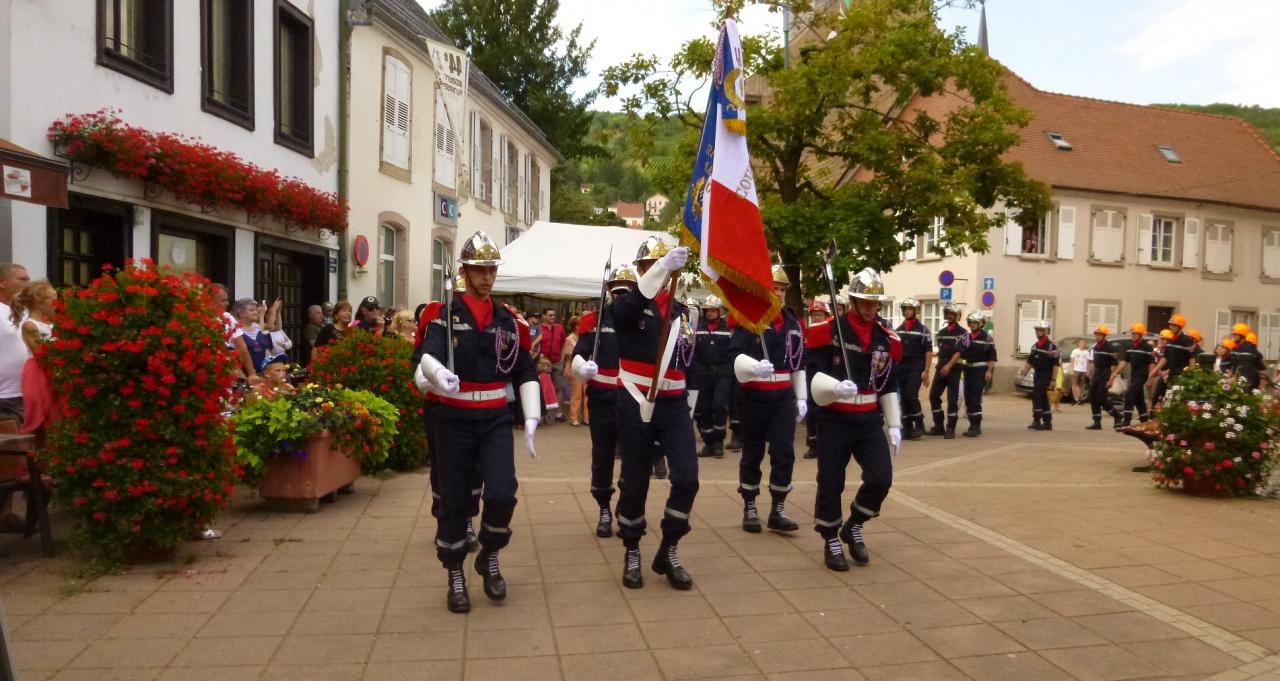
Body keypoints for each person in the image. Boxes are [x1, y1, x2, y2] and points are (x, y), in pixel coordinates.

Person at [415, 231, 540, 614]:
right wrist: (438, 375)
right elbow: (424, 355)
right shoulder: (443, 316)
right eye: (479, 270)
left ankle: (490, 553)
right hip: (453, 419)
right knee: (453, 500)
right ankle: (455, 571)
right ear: (466, 272)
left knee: (502, 492)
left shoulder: (508, 320)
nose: (486, 277)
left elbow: (524, 369)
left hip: (494, 419)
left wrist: (532, 414)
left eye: (491, 270)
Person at [611, 236, 698, 590]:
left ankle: (669, 547)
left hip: (674, 404)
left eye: (664, 266)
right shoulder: (628, 304)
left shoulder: (681, 311)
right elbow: (623, 314)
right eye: (652, 266)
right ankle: (632, 548)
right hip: (636, 398)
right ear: (642, 270)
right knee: (635, 480)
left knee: (688, 478)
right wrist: (663, 267)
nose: (661, 273)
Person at [806, 268, 902, 570]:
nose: (872, 308)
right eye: (866, 302)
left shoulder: (884, 338)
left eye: (876, 303)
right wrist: (834, 387)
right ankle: (831, 537)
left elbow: (888, 382)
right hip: (835, 418)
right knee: (831, 481)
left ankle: (855, 524)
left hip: (868, 419)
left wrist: (895, 423)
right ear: (853, 300)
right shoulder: (829, 332)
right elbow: (812, 375)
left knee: (881, 478)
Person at [729, 264, 805, 534]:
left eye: (783, 290)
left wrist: (802, 396)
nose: (780, 294)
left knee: (784, 452)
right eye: (776, 288)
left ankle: (778, 508)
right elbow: (735, 355)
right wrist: (752, 367)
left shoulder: (793, 322)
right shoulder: (749, 319)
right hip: (753, 395)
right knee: (752, 453)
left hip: (782, 396)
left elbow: (798, 363)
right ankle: (750, 505)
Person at [572, 265, 637, 538]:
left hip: (632, 397)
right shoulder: (595, 321)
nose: (621, 292)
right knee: (602, 455)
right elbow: (578, 354)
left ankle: (625, 503)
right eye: (617, 287)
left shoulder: (641, 321)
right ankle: (603, 508)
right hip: (602, 398)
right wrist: (581, 367)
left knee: (632, 456)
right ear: (609, 290)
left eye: (627, 287)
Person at [692, 295, 733, 458]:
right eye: (707, 310)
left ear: (719, 311)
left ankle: (718, 442)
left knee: (719, 404)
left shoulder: (727, 328)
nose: (709, 313)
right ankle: (708, 442)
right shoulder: (697, 328)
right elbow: (693, 351)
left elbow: (732, 351)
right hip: (703, 373)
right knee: (704, 409)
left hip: (722, 373)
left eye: (712, 310)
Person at [14, 281, 56, 435]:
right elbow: (40, 352)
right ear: (39, 302)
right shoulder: (30, 325)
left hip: (53, 368)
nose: (56, 304)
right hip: (39, 371)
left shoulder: (52, 323)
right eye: (52, 299)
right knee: (42, 409)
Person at [893, 298, 932, 440]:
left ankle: (919, 425)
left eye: (910, 309)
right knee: (903, 398)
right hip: (901, 367)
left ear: (916, 311)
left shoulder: (923, 330)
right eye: (905, 309)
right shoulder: (898, 330)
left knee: (911, 395)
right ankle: (907, 427)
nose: (907, 311)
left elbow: (928, 351)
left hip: (916, 366)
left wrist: (926, 371)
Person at [926, 304, 966, 438]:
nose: (948, 316)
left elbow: (959, 352)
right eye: (947, 313)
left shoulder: (962, 333)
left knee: (952, 399)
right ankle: (939, 426)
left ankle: (950, 428)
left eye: (951, 313)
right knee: (933, 396)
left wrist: (948, 366)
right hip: (941, 368)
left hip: (954, 369)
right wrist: (941, 366)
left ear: (956, 316)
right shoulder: (941, 332)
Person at [0, 263, 30, 423]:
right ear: (2, 282)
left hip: (25, 392)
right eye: (22, 279)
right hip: (4, 396)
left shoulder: (25, 312)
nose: (27, 284)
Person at [1110, 323, 1154, 427]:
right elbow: (1125, 361)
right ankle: (1144, 419)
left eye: (1135, 333)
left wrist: (1150, 378)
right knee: (1138, 398)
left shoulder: (1147, 347)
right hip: (1134, 374)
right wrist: (1114, 373)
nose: (1132, 335)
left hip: (1142, 374)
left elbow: (1151, 363)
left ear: (1140, 334)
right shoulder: (1129, 346)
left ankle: (1127, 419)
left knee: (1129, 393)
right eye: (1132, 333)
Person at [959, 311, 996, 437]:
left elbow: (992, 357)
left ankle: (976, 426)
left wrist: (989, 371)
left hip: (980, 371)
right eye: (971, 322)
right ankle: (971, 424)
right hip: (968, 370)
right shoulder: (966, 337)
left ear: (981, 323)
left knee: (975, 398)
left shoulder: (987, 338)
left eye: (975, 322)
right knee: (968, 398)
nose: (973, 325)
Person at [212, 285, 258, 384]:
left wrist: (251, 374)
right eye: (223, 300)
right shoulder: (199, 318)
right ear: (211, 300)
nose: (227, 303)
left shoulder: (228, 318)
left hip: (229, 364)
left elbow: (241, 346)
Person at [802, 300, 830, 459]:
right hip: (810, 375)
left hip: (826, 375)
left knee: (825, 411)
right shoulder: (807, 333)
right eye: (814, 315)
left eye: (820, 315)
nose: (817, 318)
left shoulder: (830, 333)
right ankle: (813, 445)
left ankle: (825, 444)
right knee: (811, 411)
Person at [1147, 313, 1195, 405]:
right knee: (1159, 396)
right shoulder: (1170, 339)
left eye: (1173, 325)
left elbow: (1191, 359)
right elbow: (1165, 357)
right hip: (1171, 372)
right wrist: (1153, 371)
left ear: (1179, 327)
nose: (1170, 327)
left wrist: (1191, 376)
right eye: (1170, 325)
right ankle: (1154, 416)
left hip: (1182, 373)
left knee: (1176, 398)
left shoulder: (1187, 340)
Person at [1020, 320, 1059, 431]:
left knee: (1036, 394)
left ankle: (1036, 420)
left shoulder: (1052, 347)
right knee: (1043, 397)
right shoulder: (1035, 346)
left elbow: (1055, 365)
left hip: (1046, 374)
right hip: (1037, 374)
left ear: (1047, 331)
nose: (1038, 332)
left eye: (1041, 330)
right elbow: (1030, 361)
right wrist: (1023, 373)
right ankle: (1047, 422)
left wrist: (1053, 379)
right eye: (1037, 330)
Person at [1084, 324, 1122, 429]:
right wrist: (1089, 374)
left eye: (1099, 334)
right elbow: (1094, 363)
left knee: (1101, 398)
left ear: (1104, 335)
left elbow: (1114, 365)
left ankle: (1117, 415)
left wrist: (1111, 379)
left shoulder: (1110, 348)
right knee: (1092, 397)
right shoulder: (1095, 347)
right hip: (1097, 373)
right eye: (1096, 334)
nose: (1097, 336)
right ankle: (1097, 421)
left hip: (1106, 373)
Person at [233, 299, 274, 374]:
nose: (255, 313)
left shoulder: (258, 327)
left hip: (262, 373)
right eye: (251, 310)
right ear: (241, 313)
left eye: (255, 310)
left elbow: (266, 351)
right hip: (244, 375)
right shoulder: (235, 330)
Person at [562, 317, 588, 426]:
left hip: (586, 367)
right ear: (575, 326)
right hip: (575, 368)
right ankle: (574, 418)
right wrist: (568, 369)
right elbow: (568, 357)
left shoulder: (586, 338)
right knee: (576, 394)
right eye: (579, 324)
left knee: (587, 394)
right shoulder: (569, 339)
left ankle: (587, 418)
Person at [1229, 324, 1264, 390]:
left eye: (1235, 334)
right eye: (1233, 334)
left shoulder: (1249, 349)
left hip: (1249, 383)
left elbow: (1260, 368)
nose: (1233, 336)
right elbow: (1235, 365)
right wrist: (1231, 375)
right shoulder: (1235, 348)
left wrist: (1262, 386)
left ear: (1242, 336)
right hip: (1237, 382)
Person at [1069, 340, 1091, 404]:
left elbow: (1088, 362)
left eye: (1084, 343)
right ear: (1079, 344)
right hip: (1076, 369)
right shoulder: (1075, 351)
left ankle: (1077, 398)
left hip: (1083, 370)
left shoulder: (1086, 352)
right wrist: (1071, 369)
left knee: (1081, 385)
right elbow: (1072, 360)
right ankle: (1076, 398)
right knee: (1074, 384)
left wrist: (1088, 371)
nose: (1083, 344)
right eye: (1081, 343)